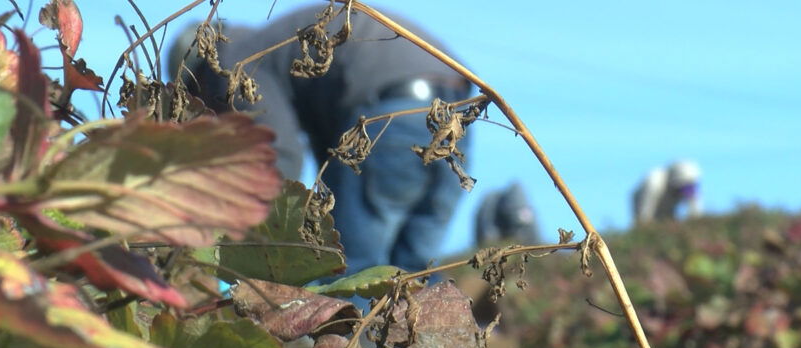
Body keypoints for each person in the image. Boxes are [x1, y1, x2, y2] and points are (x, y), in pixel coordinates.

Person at [171, 4, 473, 279]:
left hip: (388, 116)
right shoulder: (281, 55)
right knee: (415, 272)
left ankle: (352, 339)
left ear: (199, 74)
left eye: (196, 103)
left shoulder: (232, 62)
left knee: (349, 271)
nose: (208, 113)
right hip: (456, 116)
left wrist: (255, 245)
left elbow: (279, 158)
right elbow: (325, 160)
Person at [632, 159, 702, 224]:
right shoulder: (654, 182)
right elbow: (645, 214)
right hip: (644, 201)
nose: (686, 191)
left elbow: (695, 211)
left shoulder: (689, 182)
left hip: (668, 207)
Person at [475, 182, 540, 246]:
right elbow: (487, 234)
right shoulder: (490, 203)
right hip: (494, 237)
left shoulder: (526, 212)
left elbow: (534, 236)